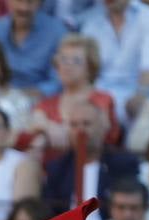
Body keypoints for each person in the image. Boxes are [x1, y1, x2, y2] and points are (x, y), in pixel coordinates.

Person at [25, 34, 121, 164]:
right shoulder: (46, 104)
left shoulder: (102, 99)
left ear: (90, 68)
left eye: (76, 61)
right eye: (63, 59)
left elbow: (95, 136)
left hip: (94, 167)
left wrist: (45, 131)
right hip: (52, 173)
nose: (67, 66)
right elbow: (30, 129)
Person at [42, 99, 139, 218]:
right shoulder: (58, 169)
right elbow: (49, 213)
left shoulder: (123, 164)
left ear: (102, 127)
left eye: (87, 123)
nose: (80, 130)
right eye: (74, 125)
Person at [79, 0, 149, 125]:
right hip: (100, 98)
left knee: (137, 114)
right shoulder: (92, 22)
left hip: (140, 95)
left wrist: (140, 96)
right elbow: (85, 69)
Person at [0, 0, 67, 97]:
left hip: (39, 100)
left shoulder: (56, 33)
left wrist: (31, 94)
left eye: (30, 2)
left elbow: (59, 80)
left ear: (40, 3)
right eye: (19, 1)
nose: (24, 8)